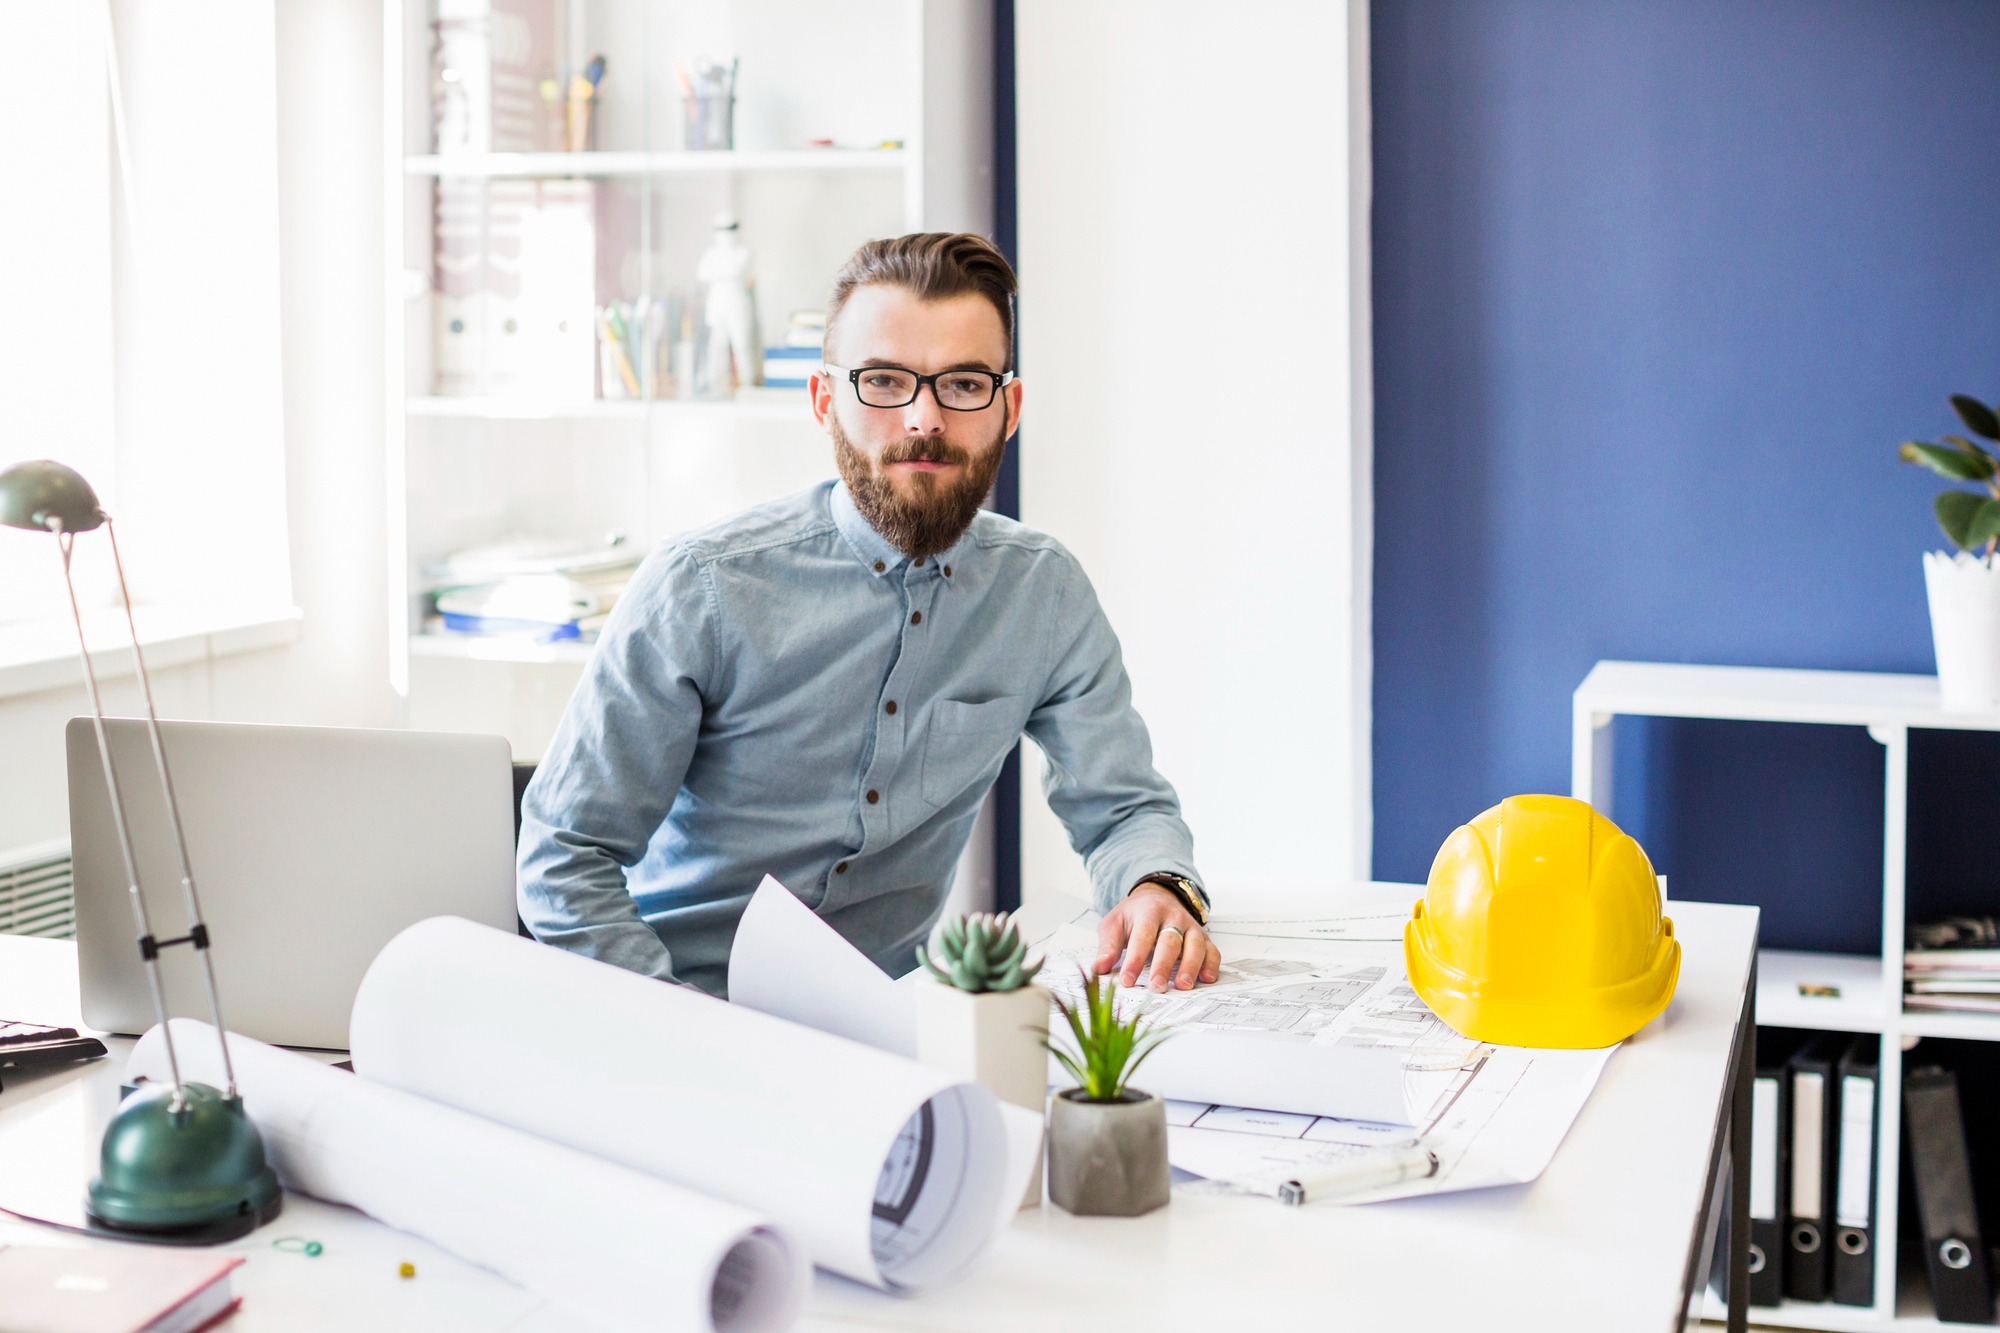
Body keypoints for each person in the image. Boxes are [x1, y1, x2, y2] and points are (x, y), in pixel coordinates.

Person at [517, 232, 1220, 997]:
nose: (923, 418)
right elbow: (565, 854)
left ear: (1008, 407)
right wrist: (687, 1028)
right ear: (826, 400)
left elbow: (1124, 808)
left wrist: (1158, 886)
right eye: (884, 381)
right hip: (675, 1014)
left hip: (883, 1031)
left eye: (962, 384)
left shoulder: (1043, 594)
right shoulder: (701, 588)